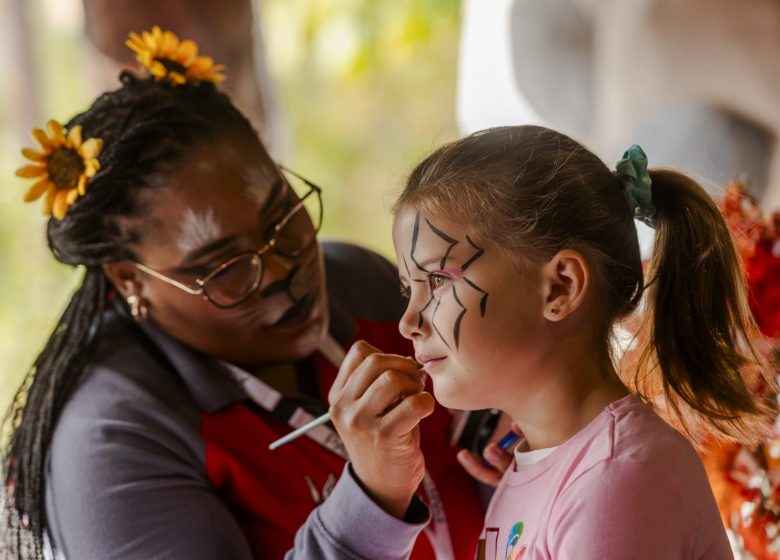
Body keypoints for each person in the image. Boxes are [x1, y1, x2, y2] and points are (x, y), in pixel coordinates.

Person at [2, 27, 487, 560]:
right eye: (225, 266)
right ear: (130, 280)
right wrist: (371, 498)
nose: (283, 269)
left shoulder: (364, 287)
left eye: (282, 216)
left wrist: (524, 443)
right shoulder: (112, 441)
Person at [320, 125, 775, 559]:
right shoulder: (547, 470)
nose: (407, 323)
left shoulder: (615, 478)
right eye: (408, 288)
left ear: (560, 287)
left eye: (438, 280)